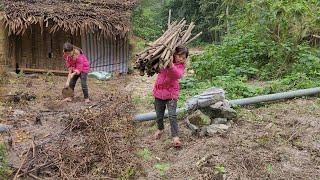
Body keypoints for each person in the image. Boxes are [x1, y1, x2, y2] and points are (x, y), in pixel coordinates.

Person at [152, 45, 189, 148]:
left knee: (172, 116)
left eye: (184, 57)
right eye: (179, 56)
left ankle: (175, 137)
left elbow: (177, 75)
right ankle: (160, 129)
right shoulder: (164, 60)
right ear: (174, 54)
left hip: (171, 94)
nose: (181, 59)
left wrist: (171, 65)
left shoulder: (180, 66)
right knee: (159, 115)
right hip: (159, 93)